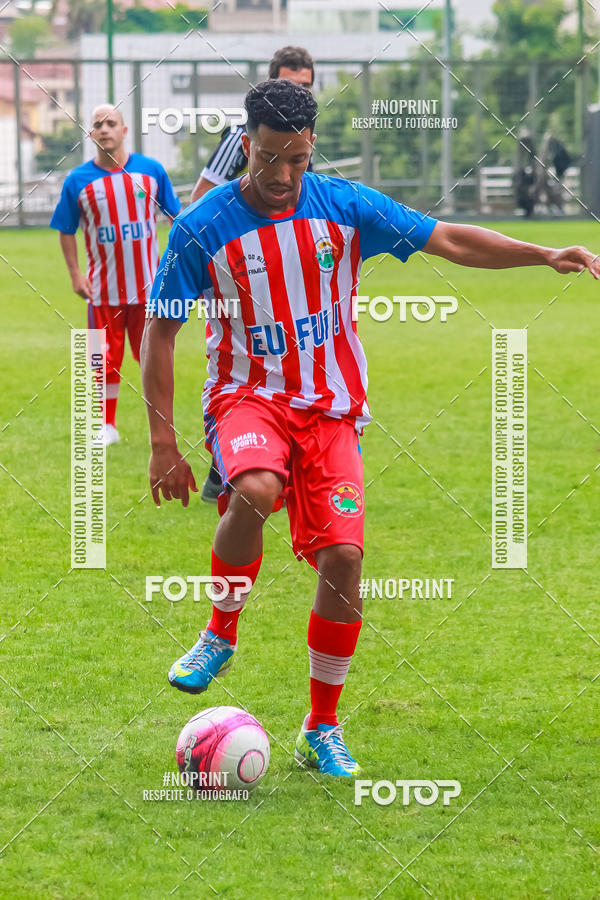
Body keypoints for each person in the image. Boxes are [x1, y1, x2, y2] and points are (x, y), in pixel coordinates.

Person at [141, 79, 599, 778]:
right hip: (248, 398)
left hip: (331, 412)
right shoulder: (203, 226)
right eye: (267, 158)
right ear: (247, 145)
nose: (282, 176)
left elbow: (447, 239)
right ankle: (219, 632)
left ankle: (320, 727)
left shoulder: (346, 205)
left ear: (311, 148)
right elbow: (161, 331)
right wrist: (163, 445)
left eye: (295, 160)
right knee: (255, 486)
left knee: (345, 561)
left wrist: (541, 254)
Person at [191, 45, 315, 502]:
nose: (296, 90)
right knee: (239, 366)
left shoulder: (301, 137)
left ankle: (287, 467)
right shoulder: (239, 138)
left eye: (304, 85)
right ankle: (225, 469)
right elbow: (202, 195)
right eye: (289, 82)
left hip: (291, 280)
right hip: (238, 277)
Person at [51, 104, 181, 445]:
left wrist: (176, 268)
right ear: (91, 134)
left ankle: (163, 424)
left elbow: (176, 220)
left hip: (149, 289)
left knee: (153, 355)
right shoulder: (78, 181)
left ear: (124, 130)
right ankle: (106, 426)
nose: (105, 128)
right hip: (102, 290)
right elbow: (66, 228)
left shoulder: (151, 171)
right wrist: (75, 274)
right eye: (98, 124)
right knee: (102, 358)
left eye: (112, 123)